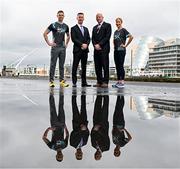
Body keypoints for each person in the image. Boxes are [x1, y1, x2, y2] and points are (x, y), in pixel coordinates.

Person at [43, 10, 70, 87]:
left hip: (62, 48)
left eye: (62, 15)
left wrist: (66, 44)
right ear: (57, 16)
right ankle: (51, 81)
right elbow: (45, 34)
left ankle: (62, 81)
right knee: (53, 65)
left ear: (64, 16)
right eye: (59, 15)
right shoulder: (53, 25)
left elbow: (68, 35)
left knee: (61, 65)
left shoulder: (66, 26)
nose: (61, 16)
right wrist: (49, 43)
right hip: (55, 47)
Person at [42, 88, 69, 162]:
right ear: (63, 156)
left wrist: (48, 129)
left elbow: (44, 138)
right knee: (61, 106)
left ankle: (51, 92)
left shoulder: (52, 147)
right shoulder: (65, 145)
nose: (60, 156)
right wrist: (65, 128)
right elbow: (67, 136)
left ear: (56, 156)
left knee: (52, 107)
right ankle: (61, 90)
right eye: (61, 157)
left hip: (54, 124)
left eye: (58, 157)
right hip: (62, 124)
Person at [71, 13, 91, 87]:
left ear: (83, 18)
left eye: (82, 17)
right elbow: (74, 39)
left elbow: (89, 38)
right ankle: (74, 82)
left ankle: (84, 82)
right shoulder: (73, 28)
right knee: (75, 66)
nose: (80, 18)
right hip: (77, 50)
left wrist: (86, 44)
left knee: (84, 67)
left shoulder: (86, 29)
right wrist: (81, 44)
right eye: (79, 17)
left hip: (85, 50)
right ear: (77, 18)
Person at [112, 17, 133, 88]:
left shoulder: (123, 30)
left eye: (119, 22)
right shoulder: (115, 32)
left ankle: (122, 82)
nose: (117, 23)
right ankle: (118, 81)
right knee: (117, 66)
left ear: (121, 22)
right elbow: (114, 40)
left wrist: (125, 45)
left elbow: (131, 37)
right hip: (116, 50)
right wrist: (114, 46)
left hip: (121, 50)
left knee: (121, 65)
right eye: (116, 22)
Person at [92, 13, 112, 88]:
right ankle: (99, 81)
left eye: (99, 17)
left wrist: (100, 44)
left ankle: (105, 82)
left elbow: (107, 37)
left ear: (102, 17)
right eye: (97, 17)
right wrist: (95, 45)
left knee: (105, 65)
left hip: (104, 49)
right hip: (96, 49)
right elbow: (93, 38)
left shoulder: (108, 25)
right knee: (97, 66)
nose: (98, 18)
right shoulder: (94, 27)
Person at [70, 89, 89, 160]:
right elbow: (87, 133)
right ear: (82, 154)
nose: (79, 154)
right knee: (83, 106)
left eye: (78, 155)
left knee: (74, 106)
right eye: (80, 155)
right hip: (84, 122)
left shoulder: (72, 144)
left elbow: (72, 134)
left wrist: (79, 129)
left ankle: (74, 93)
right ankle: (83, 92)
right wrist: (86, 128)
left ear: (75, 154)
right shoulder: (85, 143)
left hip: (76, 122)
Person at [91, 94, 110, 160]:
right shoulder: (106, 148)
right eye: (98, 156)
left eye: (96, 156)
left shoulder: (93, 145)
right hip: (103, 124)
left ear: (94, 154)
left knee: (97, 106)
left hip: (95, 123)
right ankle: (105, 92)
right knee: (105, 106)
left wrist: (94, 129)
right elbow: (106, 137)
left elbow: (92, 135)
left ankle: (99, 93)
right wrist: (98, 130)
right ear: (101, 156)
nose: (97, 155)